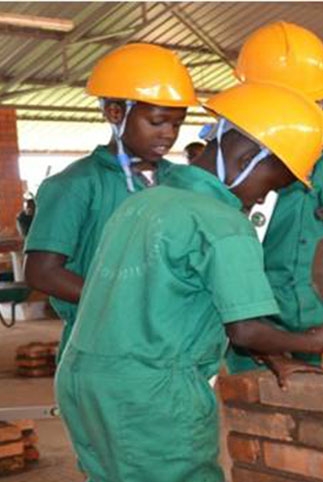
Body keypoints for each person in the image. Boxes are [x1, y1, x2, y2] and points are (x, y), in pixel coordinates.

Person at [55, 82, 323, 482]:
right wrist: (312, 343)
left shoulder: (143, 203)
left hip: (83, 382)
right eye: (272, 183)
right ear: (248, 153)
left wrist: (270, 354)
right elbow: (244, 325)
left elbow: (176, 303)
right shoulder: (222, 221)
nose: (263, 199)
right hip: (152, 398)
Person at [24, 44, 198, 362]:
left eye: (177, 123)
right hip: (100, 348)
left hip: (171, 345)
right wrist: (127, 300)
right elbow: (42, 272)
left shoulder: (181, 182)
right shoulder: (75, 185)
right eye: (157, 121)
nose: (168, 134)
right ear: (115, 113)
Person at [225, 22, 323, 372]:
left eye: (312, 99)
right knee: (254, 400)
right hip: (256, 301)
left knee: (320, 396)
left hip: (317, 298)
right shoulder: (234, 152)